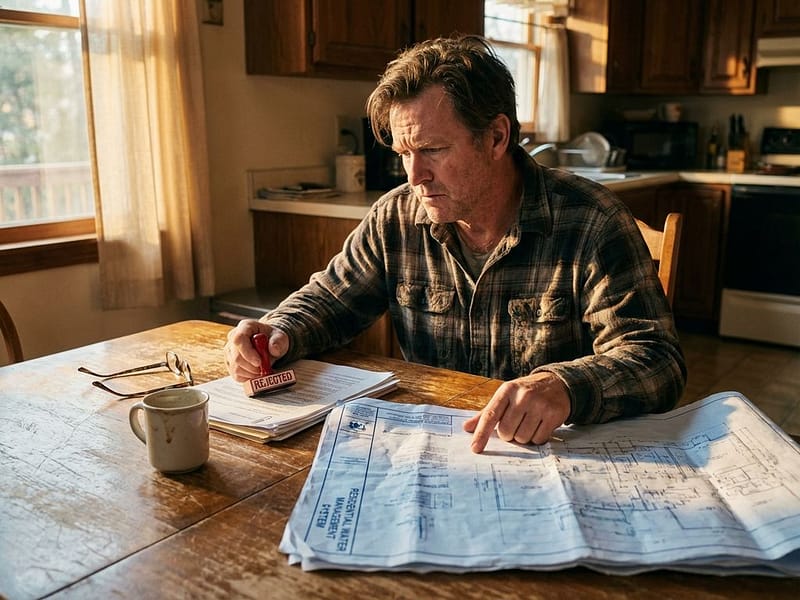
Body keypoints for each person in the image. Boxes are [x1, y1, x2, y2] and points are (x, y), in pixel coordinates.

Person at [224, 35, 686, 453]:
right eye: (404, 154)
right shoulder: (397, 216)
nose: (414, 176)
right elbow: (330, 299)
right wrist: (278, 331)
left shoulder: (591, 221)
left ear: (497, 137)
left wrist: (562, 386)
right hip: (434, 453)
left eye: (434, 150)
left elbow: (656, 359)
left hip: (552, 458)